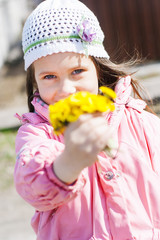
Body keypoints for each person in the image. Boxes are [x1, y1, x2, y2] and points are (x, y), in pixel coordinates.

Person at [14, 0, 160, 239]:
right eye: (50, 76)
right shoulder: (37, 134)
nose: (66, 89)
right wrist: (69, 161)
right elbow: (32, 185)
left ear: (98, 68)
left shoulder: (141, 123)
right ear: (35, 81)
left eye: (77, 71)